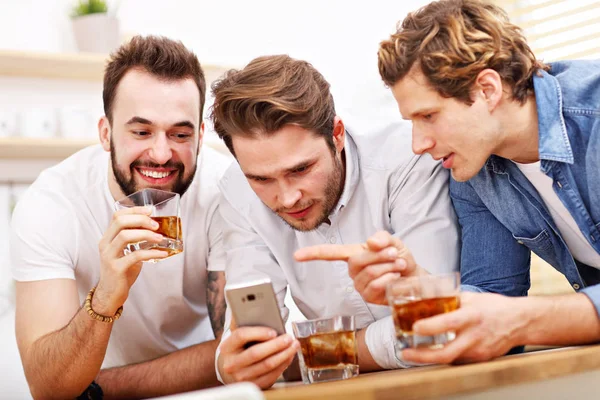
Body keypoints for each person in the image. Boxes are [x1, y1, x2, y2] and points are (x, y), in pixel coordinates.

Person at [298, 0, 600, 366]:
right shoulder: (474, 172)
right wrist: (414, 288)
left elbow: (511, 318)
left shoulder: (594, 118)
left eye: (428, 116)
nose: (418, 144)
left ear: (487, 90)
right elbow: (492, 298)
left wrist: (525, 320)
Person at [209, 54, 460, 388]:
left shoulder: (406, 158)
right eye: (261, 179)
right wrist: (237, 364)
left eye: (300, 170)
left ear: (336, 133)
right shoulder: (237, 191)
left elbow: (434, 327)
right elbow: (251, 338)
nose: (287, 198)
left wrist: (310, 352)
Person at [10, 36, 231, 399]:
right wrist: (106, 295)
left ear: (201, 137)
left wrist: (100, 388)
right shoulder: (52, 203)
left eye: (180, 133)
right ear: (106, 133)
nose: (161, 154)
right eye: (141, 131)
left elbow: (244, 351)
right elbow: (47, 387)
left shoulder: (225, 192)